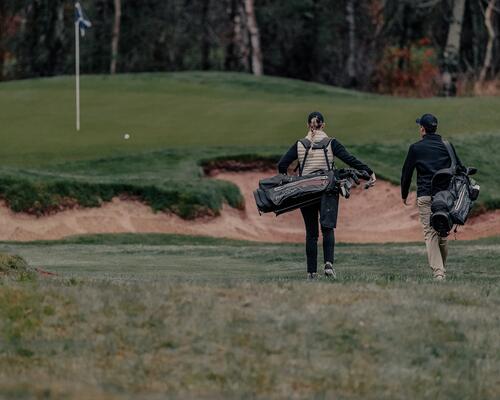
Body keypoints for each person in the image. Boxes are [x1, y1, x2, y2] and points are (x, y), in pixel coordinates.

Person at [278, 112, 376, 279]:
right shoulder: (331, 143)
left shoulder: (300, 144)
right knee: (327, 229)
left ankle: (311, 273)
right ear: (323, 125)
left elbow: (282, 165)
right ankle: (328, 265)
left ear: (308, 125)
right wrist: (369, 171)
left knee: (311, 233)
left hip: (306, 191)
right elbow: (349, 159)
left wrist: (291, 180)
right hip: (327, 190)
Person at [401, 113, 464, 281]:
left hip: (425, 196)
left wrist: (404, 194)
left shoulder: (415, 148)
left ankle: (439, 273)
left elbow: (406, 174)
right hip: (444, 198)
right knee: (443, 233)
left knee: (430, 233)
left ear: (422, 129)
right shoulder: (447, 146)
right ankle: (440, 270)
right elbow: (460, 168)